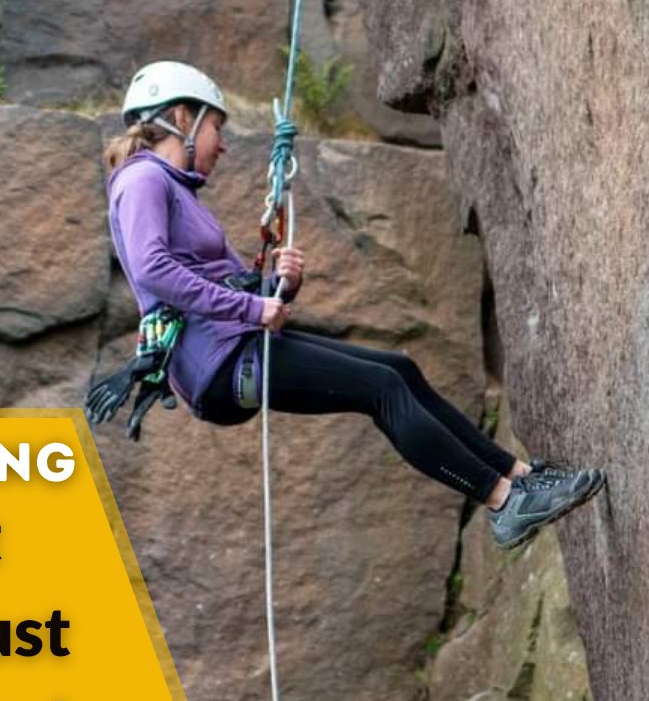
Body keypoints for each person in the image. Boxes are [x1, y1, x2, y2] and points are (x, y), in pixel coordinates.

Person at [97, 60, 605, 550]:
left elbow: (230, 285)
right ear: (182, 118)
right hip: (220, 361)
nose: (222, 145)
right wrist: (254, 311)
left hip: (232, 346)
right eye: (216, 127)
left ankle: (520, 477)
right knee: (380, 389)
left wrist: (278, 285)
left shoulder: (175, 191)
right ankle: (503, 502)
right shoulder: (141, 178)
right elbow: (152, 270)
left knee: (398, 369)